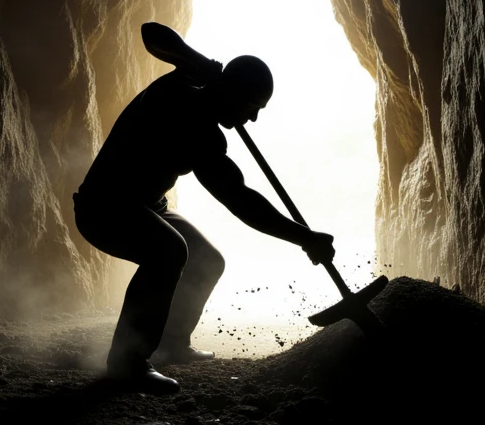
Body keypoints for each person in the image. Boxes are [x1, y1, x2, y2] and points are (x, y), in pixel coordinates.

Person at [73, 22, 336, 394]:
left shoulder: (205, 124)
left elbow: (240, 195)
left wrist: (303, 237)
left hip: (146, 205)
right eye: (252, 106)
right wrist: (303, 237)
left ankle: (171, 343)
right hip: (104, 206)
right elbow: (151, 32)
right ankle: (126, 362)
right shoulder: (186, 99)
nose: (254, 118)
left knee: (206, 260)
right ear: (233, 92)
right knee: (168, 251)